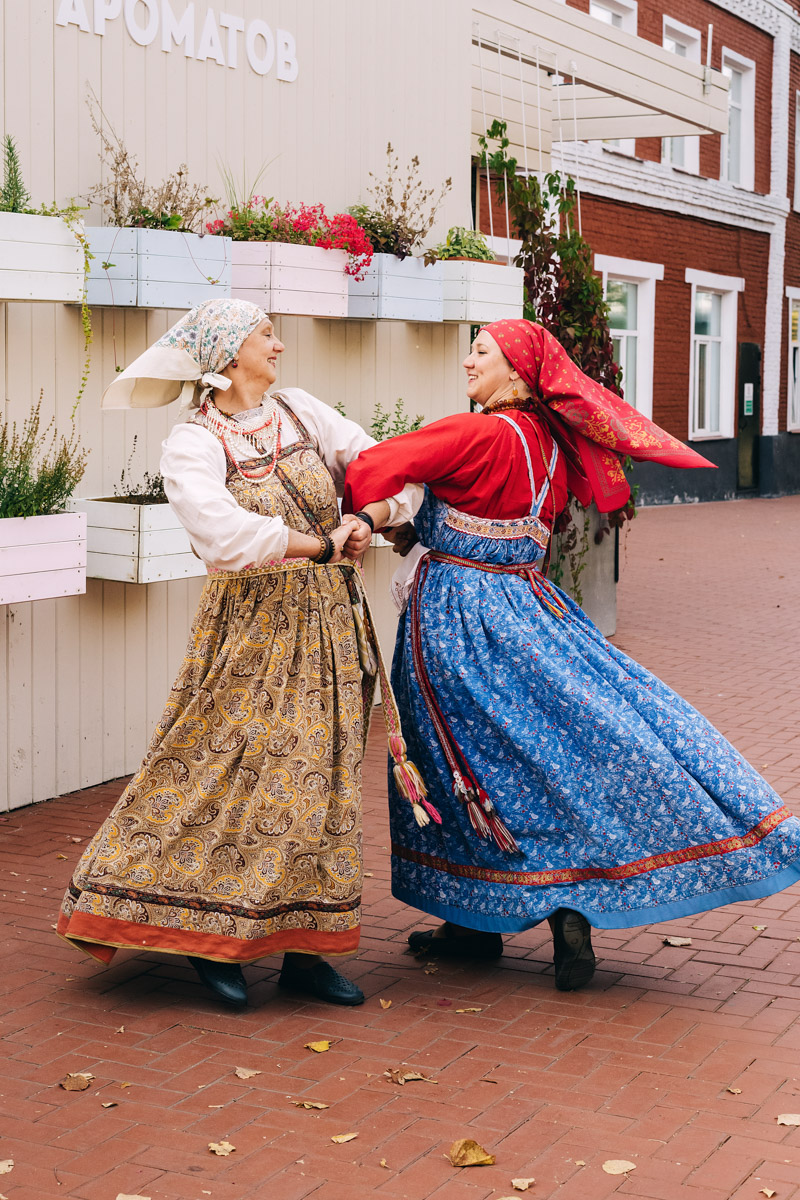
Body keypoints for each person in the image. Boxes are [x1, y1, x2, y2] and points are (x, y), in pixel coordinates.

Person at [342, 318, 800, 991]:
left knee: (458, 759)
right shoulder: (553, 445)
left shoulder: (475, 432)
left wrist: (364, 505)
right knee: (547, 752)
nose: (468, 361)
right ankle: (561, 909)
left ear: (520, 374)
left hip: (458, 618)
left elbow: (370, 467)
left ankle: (479, 922)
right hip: (532, 609)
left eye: (482, 352)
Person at [57, 298, 419, 1007]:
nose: (279, 345)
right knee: (226, 769)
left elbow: (384, 466)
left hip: (332, 627)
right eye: (264, 335)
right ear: (227, 355)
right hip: (252, 631)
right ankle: (205, 934)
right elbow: (221, 535)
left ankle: (305, 951)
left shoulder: (302, 412)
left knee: (321, 784)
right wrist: (318, 544)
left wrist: (365, 517)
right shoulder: (193, 442)